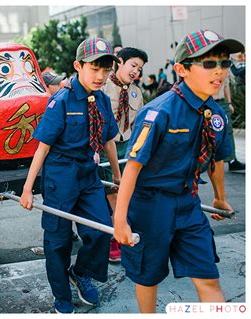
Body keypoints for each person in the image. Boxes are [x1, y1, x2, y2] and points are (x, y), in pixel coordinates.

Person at [114, 29, 243, 313]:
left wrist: (220, 196)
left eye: (224, 63)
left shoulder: (217, 115)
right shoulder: (159, 112)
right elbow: (132, 168)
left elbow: (215, 161)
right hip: (151, 205)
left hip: (188, 203)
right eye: (208, 64)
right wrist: (120, 221)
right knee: (149, 276)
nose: (219, 71)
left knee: (208, 278)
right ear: (182, 69)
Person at [20, 37, 121, 313]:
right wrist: (28, 188)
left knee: (101, 230)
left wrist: (117, 175)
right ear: (78, 66)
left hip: (88, 175)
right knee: (58, 241)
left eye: (106, 70)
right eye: (94, 69)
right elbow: (43, 146)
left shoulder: (101, 100)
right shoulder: (61, 101)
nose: (101, 76)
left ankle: (81, 272)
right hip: (60, 178)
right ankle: (61, 296)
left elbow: (109, 139)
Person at [101, 47, 148, 263]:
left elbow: (142, 124)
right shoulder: (102, 87)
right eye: (133, 65)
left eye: (139, 68)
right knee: (113, 193)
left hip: (128, 148)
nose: (136, 71)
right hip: (105, 148)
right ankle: (114, 237)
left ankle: (123, 231)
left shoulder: (136, 93)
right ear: (119, 62)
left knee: (127, 192)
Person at [212, 74, 245, 171]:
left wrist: (229, 103)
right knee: (208, 131)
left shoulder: (223, 67)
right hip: (208, 102)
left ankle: (232, 160)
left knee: (228, 130)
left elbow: (226, 86)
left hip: (222, 102)